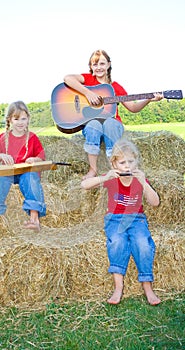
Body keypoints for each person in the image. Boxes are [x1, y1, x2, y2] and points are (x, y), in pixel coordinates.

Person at [81, 138, 161, 305]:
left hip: (136, 219)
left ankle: (147, 286)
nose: (127, 166)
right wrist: (105, 178)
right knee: (117, 242)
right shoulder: (112, 178)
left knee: (143, 243)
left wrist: (143, 182)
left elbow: (155, 202)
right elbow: (85, 185)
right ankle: (118, 287)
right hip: (115, 219)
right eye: (123, 162)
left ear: (136, 162)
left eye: (131, 162)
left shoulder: (140, 180)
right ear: (114, 164)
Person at [64, 49, 163, 179]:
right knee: (93, 124)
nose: (98, 67)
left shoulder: (116, 87)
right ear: (91, 67)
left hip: (113, 124)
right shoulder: (87, 80)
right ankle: (93, 169)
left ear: (109, 65)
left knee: (110, 123)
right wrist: (88, 93)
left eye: (102, 64)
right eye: (95, 64)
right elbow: (68, 78)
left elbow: (133, 107)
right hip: (93, 124)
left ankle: (115, 168)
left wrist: (149, 99)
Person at [0, 101, 46, 237]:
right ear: (10, 120)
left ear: (28, 119)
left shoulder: (32, 138)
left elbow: (41, 156)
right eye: (16, 119)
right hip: (7, 173)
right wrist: (1, 155)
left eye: (23, 118)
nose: (20, 122)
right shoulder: (4, 137)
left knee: (31, 179)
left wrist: (34, 160)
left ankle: (34, 220)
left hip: (25, 173)